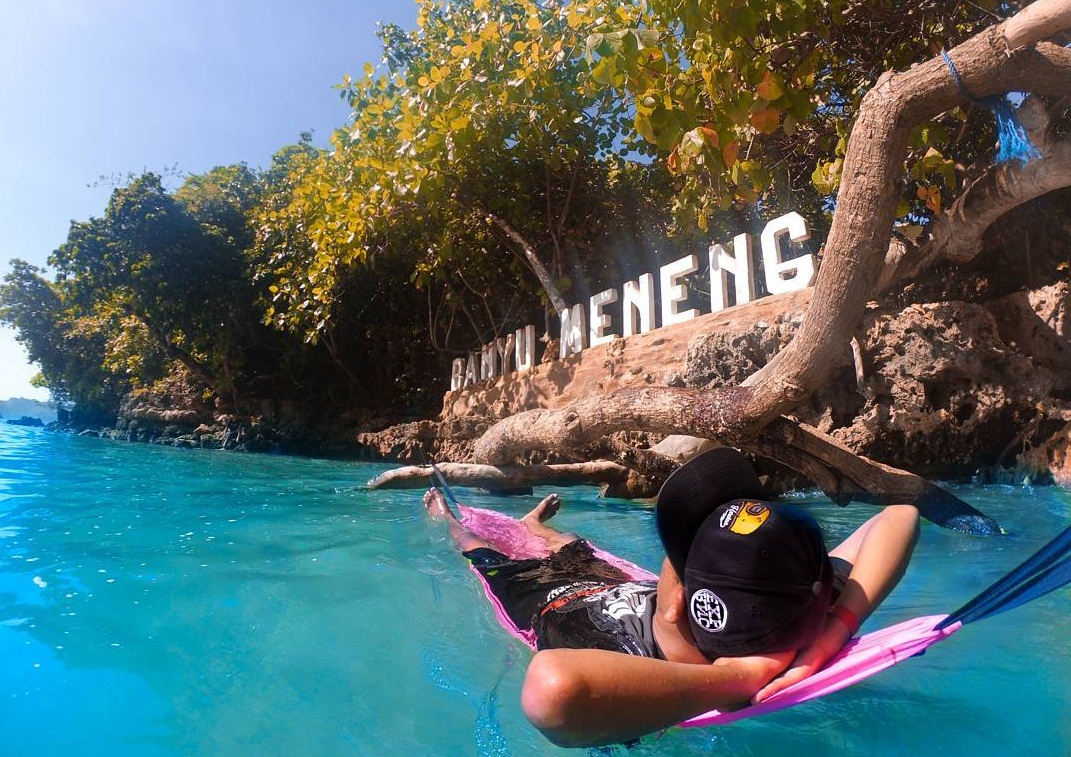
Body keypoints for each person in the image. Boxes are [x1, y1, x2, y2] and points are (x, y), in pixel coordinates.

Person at [423, 447, 920, 748]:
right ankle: (535, 526)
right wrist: (834, 631)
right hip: (613, 583)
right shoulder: (786, 594)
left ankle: (444, 515)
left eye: (678, 550)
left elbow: (552, 689)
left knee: (478, 548)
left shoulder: (640, 677)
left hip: (545, 599)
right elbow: (899, 515)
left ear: (677, 599)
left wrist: (735, 679)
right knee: (573, 548)